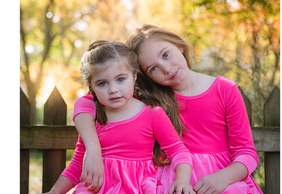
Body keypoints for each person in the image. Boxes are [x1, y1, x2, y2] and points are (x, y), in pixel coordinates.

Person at [69, 24, 263, 194]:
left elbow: (247, 153)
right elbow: (86, 102)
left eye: (166, 55)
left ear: (178, 44)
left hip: (219, 176)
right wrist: (93, 149)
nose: (166, 68)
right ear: (144, 76)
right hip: (169, 177)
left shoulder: (225, 89)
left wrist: (224, 178)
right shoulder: (146, 97)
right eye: (153, 68)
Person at [42, 40, 195, 194]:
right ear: (92, 87)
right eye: (102, 83)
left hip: (136, 188)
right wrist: (54, 192)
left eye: (120, 79)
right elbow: (78, 164)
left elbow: (177, 151)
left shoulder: (152, 113)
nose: (113, 90)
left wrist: (182, 180)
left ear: (134, 76)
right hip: (95, 189)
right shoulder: (92, 119)